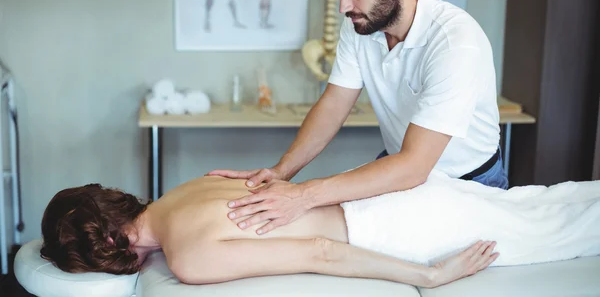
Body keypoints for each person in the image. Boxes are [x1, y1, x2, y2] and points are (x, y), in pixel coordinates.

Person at [208, 0, 506, 235]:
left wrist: (304, 195)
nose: (343, 7)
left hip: (468, 182)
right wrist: (283, 171)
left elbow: (414, 166)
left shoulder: (454, 41)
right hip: (399, 168)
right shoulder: (362, 26)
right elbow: (334, 104)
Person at [38, 173, 600, 287]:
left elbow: (320, 251)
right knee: (556, 203)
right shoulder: (185, 190)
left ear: (107, 247)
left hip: (407, 227)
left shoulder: (188, 256)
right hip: (409, 194)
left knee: (574, 229)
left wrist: (428, 275)